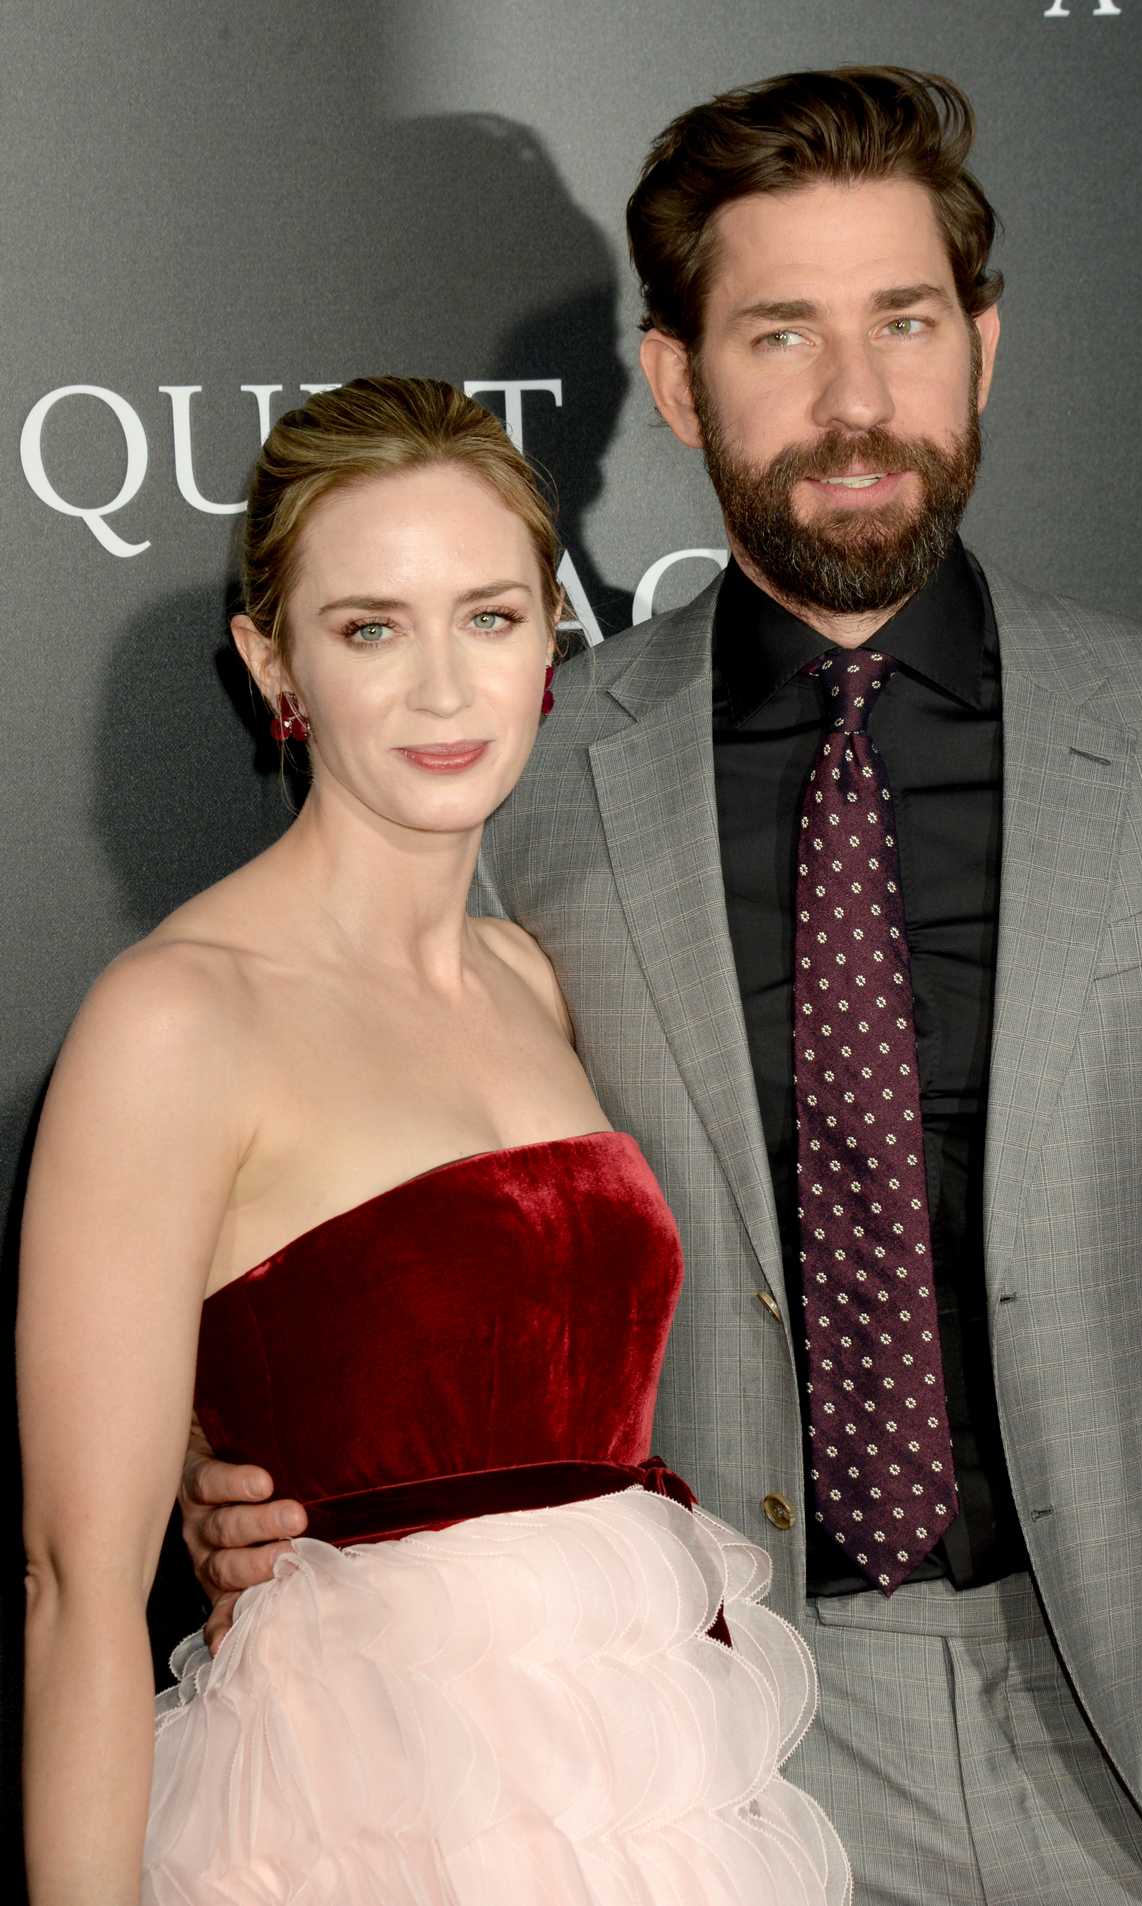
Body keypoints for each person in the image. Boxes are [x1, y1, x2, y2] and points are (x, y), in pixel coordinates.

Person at [183, 67, 1142, 1906]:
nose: (858, 404)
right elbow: (308, 1126)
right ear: (682, 382)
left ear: (985, 346)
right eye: (783, 333)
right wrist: (217, 1463)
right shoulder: (523, 776)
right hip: (730, 1733)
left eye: (906, 324)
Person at [18, 376, 852, 1904]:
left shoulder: (533, 975)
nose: (442, 691)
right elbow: (76, 1590)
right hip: (362, 1811)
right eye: (369, 628)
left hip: (641, 1779)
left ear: (550, 638)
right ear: (275, 663)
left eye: (487, 615)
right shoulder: (175, 1019)